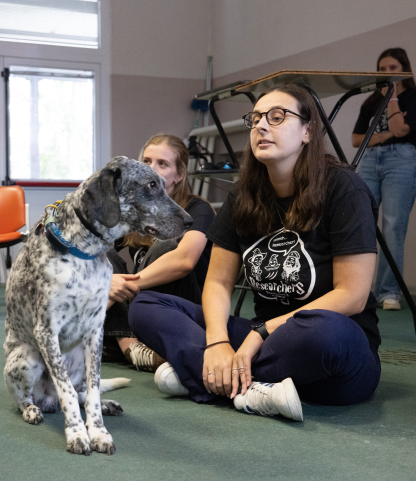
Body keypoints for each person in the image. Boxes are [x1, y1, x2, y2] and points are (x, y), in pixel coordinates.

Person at [129, 84, 381, 421]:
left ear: (307, 131)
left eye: (276, 117)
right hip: (263, 339)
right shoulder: (243, 195)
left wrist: (258, 335)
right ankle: (248, 386)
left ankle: (205, 376)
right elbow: (218, 282)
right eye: (256, 118)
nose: (261, 125)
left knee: (326, 330)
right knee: (146, 304)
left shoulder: (344, 188)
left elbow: (352, 295)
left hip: (331, 351)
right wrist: (218, 342)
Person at [103, 134, 215, 371]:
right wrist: (106, 282)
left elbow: (184, 261)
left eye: (162, 164)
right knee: (101, 251)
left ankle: (122, 343)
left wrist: (120, 286)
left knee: (167, 247)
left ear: (179, 175)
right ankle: (128, 343)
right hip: (135, 306)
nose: (151, 169)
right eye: (146, 161)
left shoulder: (199, 209)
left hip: (180, 308)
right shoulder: (133, 210)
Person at [352, 48, 416, 311]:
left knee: (392, 226)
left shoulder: (412, 97)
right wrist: (383, 136)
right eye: (382, 69)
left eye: (393, 68)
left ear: (404, 70)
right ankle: (357, 290)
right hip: (370, 160)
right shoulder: (370, 101)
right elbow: (357, 139)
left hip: (401, 160)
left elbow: (400, 130)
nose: (387, 73)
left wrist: (392, 97)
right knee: (360, 221)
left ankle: (389, 292)